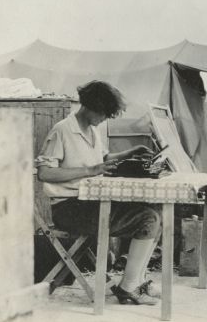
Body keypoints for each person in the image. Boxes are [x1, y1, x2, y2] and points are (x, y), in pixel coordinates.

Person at [36, 80, 161, 305]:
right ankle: (128, 288)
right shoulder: (63, 129)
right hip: (69, 208)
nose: (105, 119)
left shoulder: (94, 129)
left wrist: (132, 151)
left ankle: (137, 281)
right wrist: (90, 170)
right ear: (91, 106)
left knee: (154, 212)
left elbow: (102, 160)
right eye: (104, 114)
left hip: (90, 202)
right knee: (147, 219)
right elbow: (45, 173)